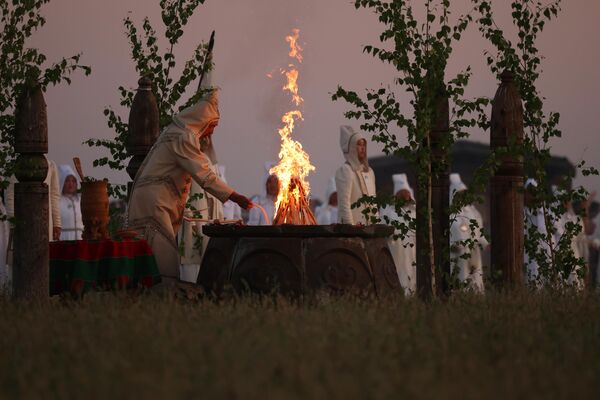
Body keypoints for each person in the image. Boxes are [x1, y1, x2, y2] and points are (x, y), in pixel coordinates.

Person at [127, 79, 252, 286]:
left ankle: (149, 295)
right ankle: (162, 298)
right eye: (212, 126)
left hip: (154, 200)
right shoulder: (183, 137)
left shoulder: (178, 132)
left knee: (154, 250)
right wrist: (235, 197)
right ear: (203, 121)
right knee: (163, 256)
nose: (212, 132)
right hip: (154, 202)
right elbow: (205, 174)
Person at [179, 134, 225, 283]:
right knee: (191, 252)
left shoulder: (211, 163)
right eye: (202, 138)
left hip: (211, 217)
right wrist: (188, 214)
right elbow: (183, 189)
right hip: (194, 215)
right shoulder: (189, 160)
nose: (206, 141)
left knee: (209, 253)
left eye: (208, 138)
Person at [6, 156, 62, 241]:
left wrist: (57, 223)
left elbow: (54, 196)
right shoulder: (17, 165)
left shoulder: (50, 165)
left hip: (45, 219)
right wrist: (13, 223)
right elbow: (10, 196)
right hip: (22, 219)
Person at [449, 173, 487, 293]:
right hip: (456, 254)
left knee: (475, 279)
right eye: (459, 194)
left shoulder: (473, 212)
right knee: (459, 279)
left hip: (473, 253)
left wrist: (484, 243)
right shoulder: (449, 213)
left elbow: (479, 232)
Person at [379, 173, 416, 295]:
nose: (405, 196)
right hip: (396, 251)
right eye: (402, 193)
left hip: (412, 252)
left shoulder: (414, 212)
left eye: (407, 193)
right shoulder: (388, 211)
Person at [335, 125, 377, 225]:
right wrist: (350, 226)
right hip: (354, 230)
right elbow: (344, 203)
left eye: (364, 145)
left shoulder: (369, 172)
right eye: (359, 144)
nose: (362, 148)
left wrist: (375, 224)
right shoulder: (346, 170)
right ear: (352, 147)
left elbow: (373, 202)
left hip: (369, 230)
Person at [524, 178, 553, 286]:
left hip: (545, 254)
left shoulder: (547, 212)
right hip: (527, 254)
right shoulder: (521, 211)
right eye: (529, 192)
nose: (531, 196)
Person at [58, 164, 83, 240]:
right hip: (64, 239)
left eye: (73, 181)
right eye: (67, 181)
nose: (70, 184)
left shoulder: (80, 200)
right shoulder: (58, 201)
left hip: (80, 238)